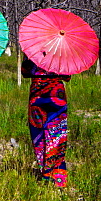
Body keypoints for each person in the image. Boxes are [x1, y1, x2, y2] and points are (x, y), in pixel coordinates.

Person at [21, 56, 70, 188]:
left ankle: (46, 174)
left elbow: (25, 72)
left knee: (39, 135)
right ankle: (59, 176)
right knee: (57, 135)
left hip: (37, 96)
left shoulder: (33, 50)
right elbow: (67, 76)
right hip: (56, 97)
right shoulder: (60, 50)